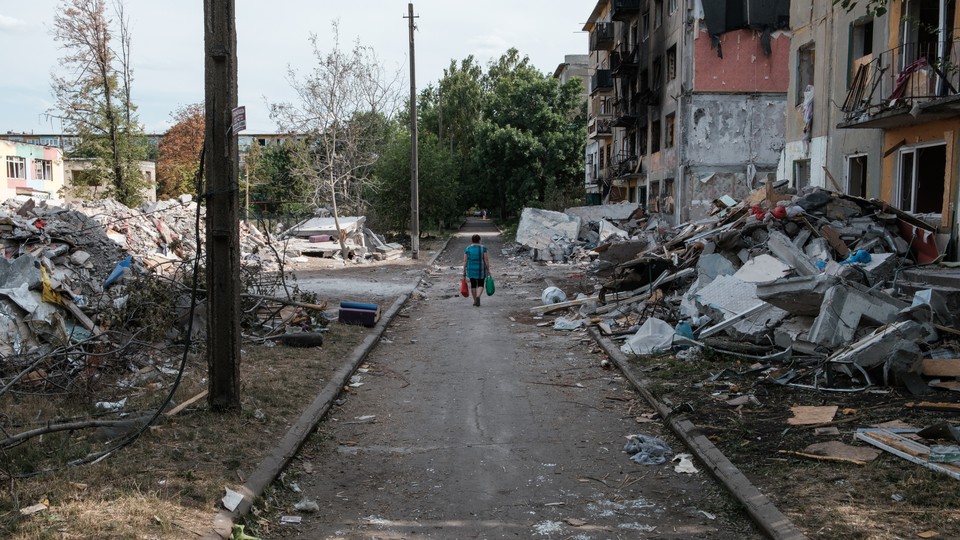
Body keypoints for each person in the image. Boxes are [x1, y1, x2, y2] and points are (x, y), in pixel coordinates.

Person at [462, 234, 491, 307]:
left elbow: (465, 261)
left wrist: (464, 270)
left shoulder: (468, 249)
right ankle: (478, 296)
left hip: (471, 268)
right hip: (481, 268)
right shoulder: (483, 248)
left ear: (472, 240)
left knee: (473, 285)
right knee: (481, 284)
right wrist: (488, 269)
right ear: (479, 240)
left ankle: (475, 301)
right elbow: (486, 260)